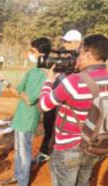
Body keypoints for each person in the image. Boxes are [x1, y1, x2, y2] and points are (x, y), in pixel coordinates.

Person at [39, 34, 108, 186]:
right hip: (93, 146)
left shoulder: (74, 82)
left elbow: (45, 104)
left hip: (68, 148)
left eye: (81, 52)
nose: (77, 57)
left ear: (90, 54)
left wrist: (49, 81)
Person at [1, 37, 51, 186]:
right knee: (18, 149)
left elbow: (30, 99)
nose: (30, 54)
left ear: (42, 54)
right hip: (20, 116)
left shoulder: (44, 75)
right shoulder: (32, 71)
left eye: (33, 51)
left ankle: (22, 182)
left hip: (29, 117)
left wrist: (20, 92)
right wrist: (5, 82)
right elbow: (18, 92)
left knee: (25, 150)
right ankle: (17, 176)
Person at [33, 29, 83, 164]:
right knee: (49, 125)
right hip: (54, 93)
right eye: (64, 41)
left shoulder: (82, 59)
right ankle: (45, 152)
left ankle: (51, 152)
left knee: (61, 126)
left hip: (68, 98)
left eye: (68, 42)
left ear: (77, 43)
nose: (65, 44)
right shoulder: (61, 53)